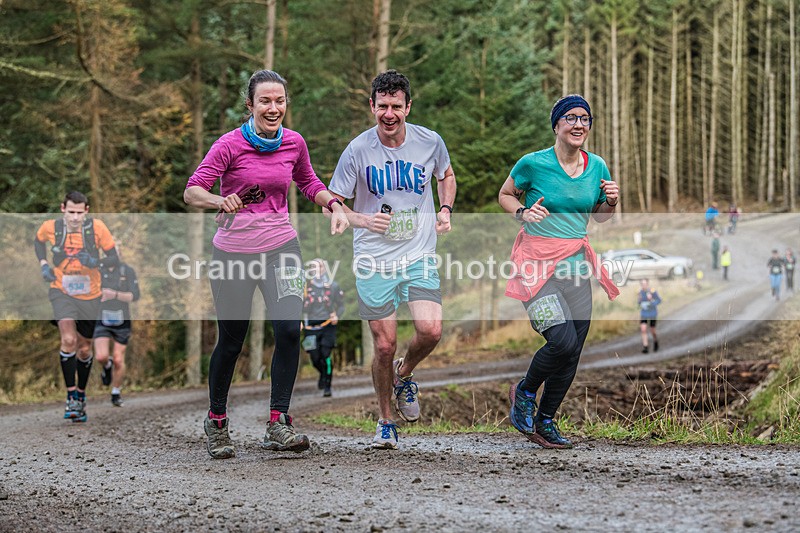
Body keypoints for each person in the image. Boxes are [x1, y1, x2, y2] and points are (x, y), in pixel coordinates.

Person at [184, 69, 349, 459]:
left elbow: (308, 181)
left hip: (282, 248)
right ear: (250, 105)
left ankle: (279, 423)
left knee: (290, 331)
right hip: (233, 253)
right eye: (265, 101)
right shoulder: (228, 145)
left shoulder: (293, 143)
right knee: (232, 339)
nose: (273, 108)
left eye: (279, 101)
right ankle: (218, 422)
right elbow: (193, 190)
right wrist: (218, 200)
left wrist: (333, 203)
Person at [328, 69, 456, 449]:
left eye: (396, 106)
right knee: (383, 344)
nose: (389, 114)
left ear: (407, 107)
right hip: (373, 257)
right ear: (372, 106)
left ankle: (405, 373)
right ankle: (385, 420)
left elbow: (446, 175)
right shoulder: (358, 150)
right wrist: (360, 219)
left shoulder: (429, 142)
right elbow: (332, 203)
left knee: (431, 330)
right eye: (382, 106)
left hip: (418, 253)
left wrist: (445, 208)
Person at [499, 94, 619, 449]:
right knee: (561, 340)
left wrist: (610, 201)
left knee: (573, 351)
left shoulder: (597, 166)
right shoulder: (533, 164)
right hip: (536, 269)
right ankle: (523, 392)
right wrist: (522, 212)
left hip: (577, 269)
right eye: (570, 118)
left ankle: (546, 421)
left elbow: (600, 216)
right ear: (557, 125)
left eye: (585, 118)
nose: (579, 124)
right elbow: (506, 194)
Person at [34, 191, 118, 422]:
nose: (74, 217)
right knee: (68, 340)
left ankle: (81, 395)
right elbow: (38, 242)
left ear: (86, 211)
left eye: (79, 213)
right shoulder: (52, 227)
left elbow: (114, 258)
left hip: (90, 295)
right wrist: (43, 264)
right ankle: (71, 396)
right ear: (63, 208)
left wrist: (96, 262)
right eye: (71, 212)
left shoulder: (97, 229)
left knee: (83, 349)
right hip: (61, 291)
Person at [93, 248, 140, 407]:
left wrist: (114, 294)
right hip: (101, 317)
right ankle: (107, 365)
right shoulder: (97, 270)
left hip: (122, 319)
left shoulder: (127, 271)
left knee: (119, 359)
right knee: (101, 356)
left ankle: (116, 392)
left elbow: (135, 296)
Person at [302, 258, 345, 397]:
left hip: (327, 326)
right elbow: (298, 305)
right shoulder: (305, 287)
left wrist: (336, 315)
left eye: (319, 267)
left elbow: (341, 305)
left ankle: (328, 386)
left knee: (326, 355)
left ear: (324, 269)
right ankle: (322, 374)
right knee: (314, 358)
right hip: (311, 327)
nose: (316, 270)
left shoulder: (333, 286)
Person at [638, 279, 661, 353]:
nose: (643, 285)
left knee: (652, 330)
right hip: (644, 313)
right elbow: (639, 302)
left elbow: (659, 300)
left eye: (645, 284)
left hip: (652, 313)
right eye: (642, 284)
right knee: (643, 329)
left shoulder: (652, 291)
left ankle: (655, 341)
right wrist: (640, 302)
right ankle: (646, 347)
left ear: (647, 284)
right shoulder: (640, 292)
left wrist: (652, 302)